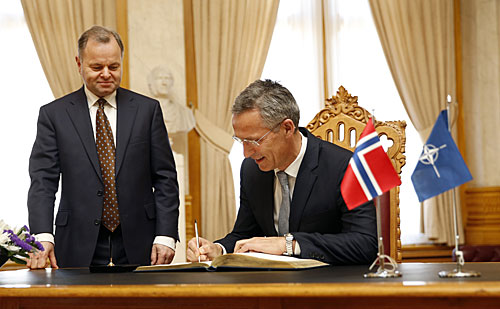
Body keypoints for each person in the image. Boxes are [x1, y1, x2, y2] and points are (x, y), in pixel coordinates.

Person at [27, 26, 180, 269]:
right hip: (76, 242)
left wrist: (166, 235)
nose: (106, 74)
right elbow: (43, 182)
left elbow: (165, 179)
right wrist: (43, 236)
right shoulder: (54, 115)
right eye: (97, 67)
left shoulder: (147, 111)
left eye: (114, 66)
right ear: (79, 63)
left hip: (140, 242)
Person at [187, 80, 377, 265]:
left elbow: (364, 244)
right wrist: (219, 249)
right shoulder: (252, 170)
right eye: (241, 141)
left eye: (253, 141)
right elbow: (244, 233)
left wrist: (289, 244)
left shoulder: (345, 166)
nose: (246, 153)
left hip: (330, 286)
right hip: (272, 285)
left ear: (287, 128)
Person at [147, 65, 195, 134]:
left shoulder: (184, 113)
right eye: (159, 78)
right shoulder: (144, 111)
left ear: (172, 83)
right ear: (151, 83)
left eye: (167, 78)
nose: (164, 83)